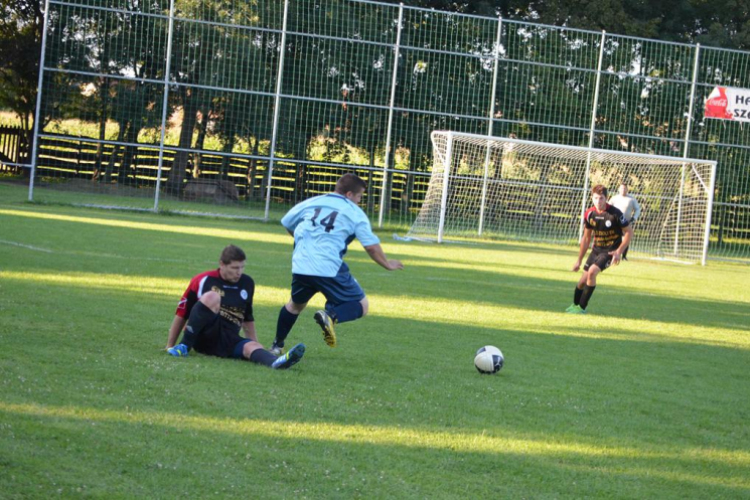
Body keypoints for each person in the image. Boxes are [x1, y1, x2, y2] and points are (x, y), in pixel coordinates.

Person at [271, 173, 403, 353]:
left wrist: (304, 241)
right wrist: (387, 264)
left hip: (301, 264)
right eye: (359, 197)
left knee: (294, 305)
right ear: (349, 194)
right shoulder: (354, 212)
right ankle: (330, 316)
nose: (359, 201)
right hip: (328, 267)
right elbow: (371, 247)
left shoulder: (313, 201)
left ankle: (276, 346)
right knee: (361, 306)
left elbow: (287, 222)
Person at [165, 244, 305, 369]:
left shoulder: (247, 283)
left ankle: (277, 362)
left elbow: (247, 317)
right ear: (222, 264)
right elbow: (182, 313)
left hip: (229, 338)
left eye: (242, 267)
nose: (239, 272)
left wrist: (255, 342)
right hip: (203, 338)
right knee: (212, 296)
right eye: (235, 268)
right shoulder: (203, 280)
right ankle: (184, 346)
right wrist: (170, 345)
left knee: (252, 346)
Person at [566, 185, 633, 314]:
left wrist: (619, 252)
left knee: (592, 272)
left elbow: (629, 232)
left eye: (601, 198)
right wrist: (578, 261)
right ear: (592, 198)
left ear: (606, 198)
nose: (598, 201)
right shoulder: (590, 214)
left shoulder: (615, 213)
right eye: (596, 198)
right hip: (596, 250)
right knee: (581, 282)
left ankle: (582, 308)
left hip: (610, 251)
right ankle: (575, 306)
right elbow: (586, 238)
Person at [608, 182, 641, 260]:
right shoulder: (614, 198)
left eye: (624, 188)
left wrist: (634, 218)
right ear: (619, 189)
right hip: (615, 221)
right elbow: (608, 207)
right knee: (613, 237)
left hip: (626, 222)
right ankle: (611, 253)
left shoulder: (631, 199)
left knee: (625, 238)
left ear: (627, 189)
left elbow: (638, 209)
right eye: (621, 188)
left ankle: (624, 256)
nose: (623, 190)